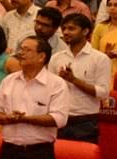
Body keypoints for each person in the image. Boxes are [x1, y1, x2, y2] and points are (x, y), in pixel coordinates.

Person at [48, 11, 112, 142]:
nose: (66, 32)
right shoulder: (56, 58)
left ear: (85, 31)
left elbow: (103, 93)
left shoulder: (100, 59)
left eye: (71, 28)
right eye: (64, 28)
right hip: (59, 118)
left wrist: (74, 80)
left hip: (86, 121)